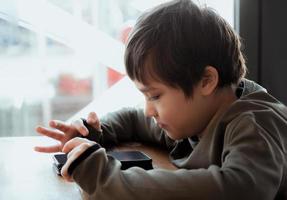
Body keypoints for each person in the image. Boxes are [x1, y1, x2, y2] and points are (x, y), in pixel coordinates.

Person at [34, 0, 287, 199]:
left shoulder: (255, 125)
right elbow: (132, 120)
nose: (148, 111)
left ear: (206, 81)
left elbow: (239, 191)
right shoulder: (196, 115)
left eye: (155, 96)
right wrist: (92, 133)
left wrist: (103, 179)